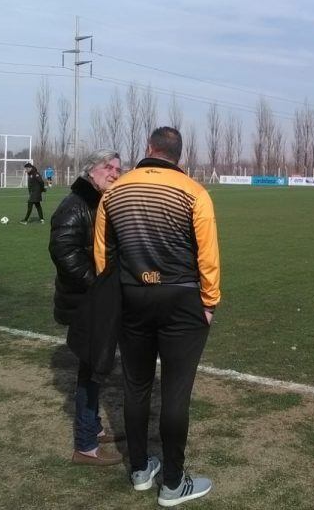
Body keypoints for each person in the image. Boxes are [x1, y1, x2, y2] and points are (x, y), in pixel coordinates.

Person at [94, 126, 221, 507]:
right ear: (178, 155)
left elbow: (101, 254)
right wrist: (209, 302)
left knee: (135, 386)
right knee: (176, 391)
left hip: (132, 298)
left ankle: (138, 471)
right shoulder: (195, 192)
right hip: (182, 299)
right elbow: (208, 257)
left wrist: (113, 296)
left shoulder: (116, 190)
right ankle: (172, 482)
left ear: (148, 148)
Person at [49, 149, 124, 466]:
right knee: (90, 371)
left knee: (94, 368)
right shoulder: (74, 205)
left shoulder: (100, 203)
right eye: (108, 167)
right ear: (90, 171)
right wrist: (97, 284)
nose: (115, 172)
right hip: (85, 301)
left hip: (98, 299)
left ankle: (91, 430)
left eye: (119, 168)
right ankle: (84, 446)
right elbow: (63, 252)